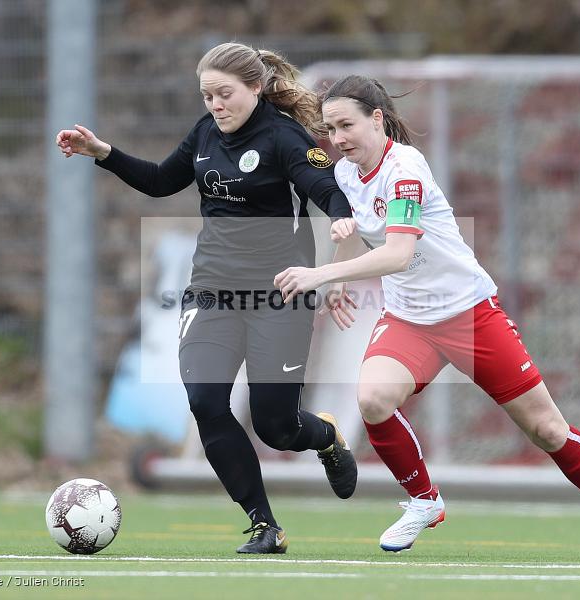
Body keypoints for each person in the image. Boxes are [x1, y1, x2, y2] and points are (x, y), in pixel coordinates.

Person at [273, 74, 580, 560]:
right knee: (371, 398)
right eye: (330, 129)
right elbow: (354, 224)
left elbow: (397, 253)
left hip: (468, 315)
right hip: (409, 319)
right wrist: (343, 275)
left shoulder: (405, 168)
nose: (338, 139)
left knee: (547, 430)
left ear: (377, 118)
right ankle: (424, 502)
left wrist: (321, 274)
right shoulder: (346, 171)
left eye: (346, 125)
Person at [55, 42, 358, 555]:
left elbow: (324, 186)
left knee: (275, 426)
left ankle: (325, 437)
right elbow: (159, 181)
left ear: (256, 89)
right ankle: (265, 525)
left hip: (279, 294)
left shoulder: (284, 137)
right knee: (205, 401)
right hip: (212, 290)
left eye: (225, 94)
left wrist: (341, 223)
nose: (215, 105)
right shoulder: (204, 134)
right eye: (207, 96)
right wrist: (102, 153)